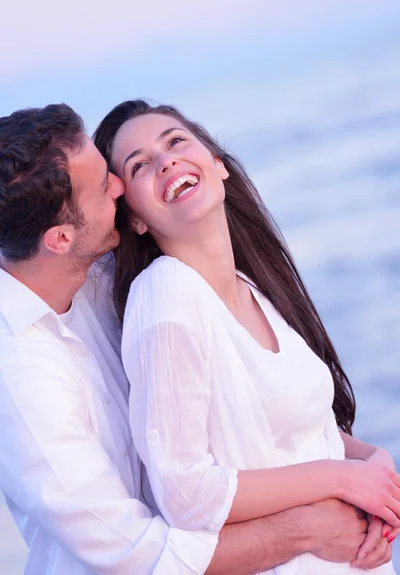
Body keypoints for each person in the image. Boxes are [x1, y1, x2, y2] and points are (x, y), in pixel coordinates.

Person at [0, 103, 372, 575]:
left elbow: (251, 400)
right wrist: (310, 528)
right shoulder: (22, 382)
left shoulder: (97, 271)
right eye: (103, 187)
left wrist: (365, 463)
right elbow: (141, 554)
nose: (117, 187)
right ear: (59, 238)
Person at [93, 99, 399, 574]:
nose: (166, 161)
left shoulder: (254, 287)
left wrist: (373, 462)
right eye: (139, 166)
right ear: (134, 217)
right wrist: (341, 480)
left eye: (175, 141)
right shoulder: (165, 293)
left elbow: (302, 431)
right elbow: (184, 492)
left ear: (218, 165)